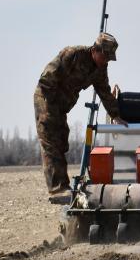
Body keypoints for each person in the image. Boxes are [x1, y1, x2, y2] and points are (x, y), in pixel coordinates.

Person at [34, 32, 125, 203]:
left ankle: (63, 184)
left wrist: (115, 115)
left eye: (109, 59)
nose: (106, 61)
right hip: (47, 98)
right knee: (51, 140)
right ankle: (58, 188)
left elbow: (104, 90)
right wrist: (51, 109)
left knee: (61, 141)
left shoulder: (100, 68)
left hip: (61, 105)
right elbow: (47, 79)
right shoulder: (72, 54)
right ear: (95, 50)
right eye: (105, 56)